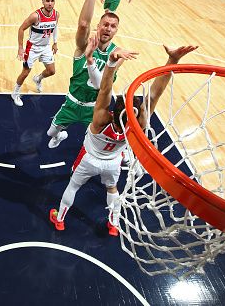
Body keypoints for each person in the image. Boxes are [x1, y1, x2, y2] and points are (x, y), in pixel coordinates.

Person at [49, 43, 198, 235]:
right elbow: (154, 94)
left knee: (73, 186)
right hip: (113, 163)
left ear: (115, 109)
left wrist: (111, 63)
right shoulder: (136, 127)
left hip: (89, 159)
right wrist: (173, 60)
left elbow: (104, 89)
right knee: (112, 188)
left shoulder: (102, 119)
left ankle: (59, 219)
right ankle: (114, 224)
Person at [45, 0, 129, 149]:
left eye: (112, 26)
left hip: (94, 108)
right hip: (72, 102)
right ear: (98, 27)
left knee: (95, 144)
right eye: (105, 24)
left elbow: (100, 85)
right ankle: (59, 136)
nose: (108, 28)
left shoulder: (117, 54)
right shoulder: (84, 46)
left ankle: (123, 156)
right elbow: (83, 24)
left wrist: (112, 60)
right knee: (50, 133)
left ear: (116, 31)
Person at [11, 0, 59, 107]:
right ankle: (15, 93)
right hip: (32, 47)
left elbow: (55, 27)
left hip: (46, 47)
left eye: (52, 1)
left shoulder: (56, 14)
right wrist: (20, 48)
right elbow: (21, 29)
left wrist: (55, 42)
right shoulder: (35, 16)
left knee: (51, 71)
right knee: (25, 72)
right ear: (43, 2)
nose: (50, 3)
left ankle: (38, 79)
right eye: (47, 1)